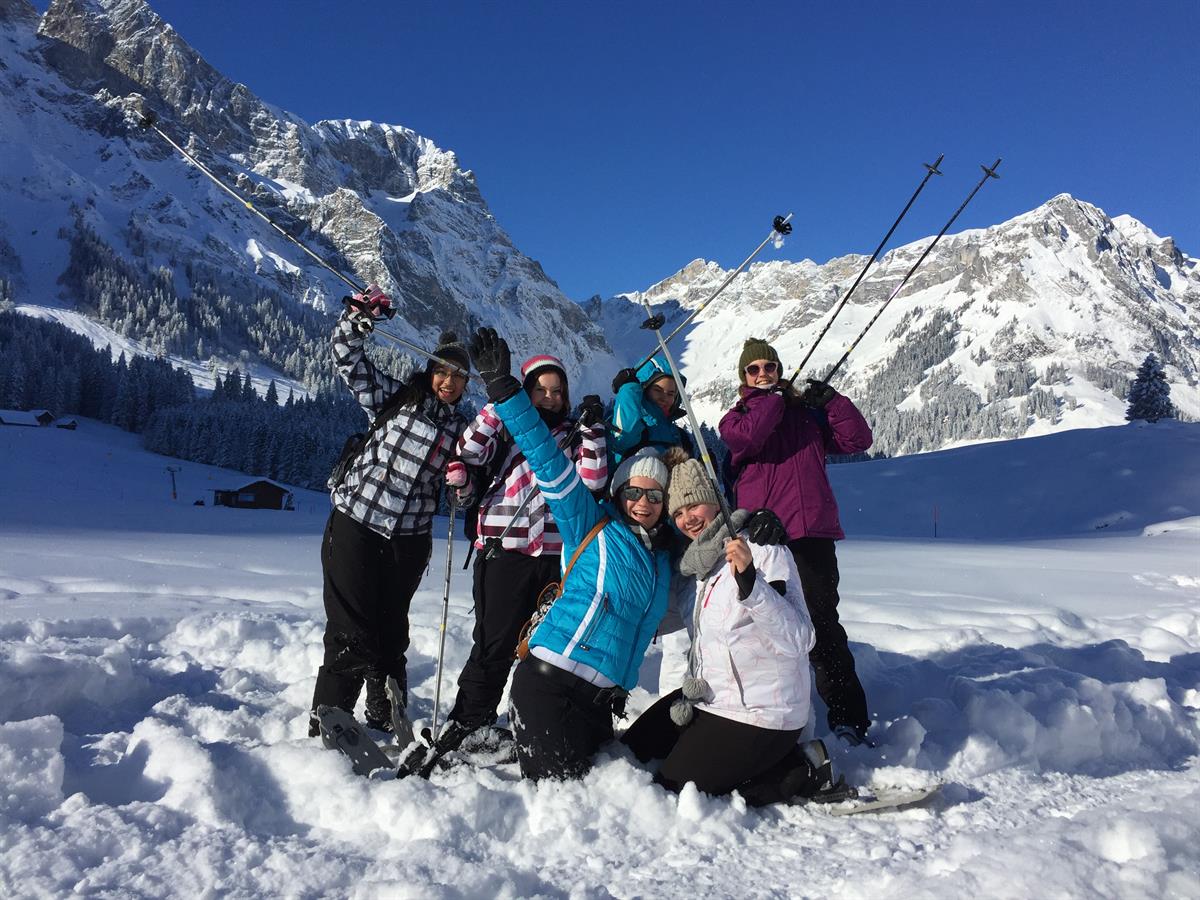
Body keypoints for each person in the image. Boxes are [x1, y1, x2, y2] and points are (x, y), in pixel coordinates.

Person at [467, 326, 674, 781]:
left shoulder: (662, 558)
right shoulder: (591, 522)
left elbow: (706, 527)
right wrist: (504, 390)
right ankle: (467, 728)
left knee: (604, 788)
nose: (643, 502)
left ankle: (503, 743)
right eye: (633, 491)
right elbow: (546, 458)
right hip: (550, 683)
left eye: (655, 495)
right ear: (619, 494)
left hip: (597, 704)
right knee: (568, 797)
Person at [622, 452, 844, 806]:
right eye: (678, 513)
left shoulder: (760, 547)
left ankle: (801, 769)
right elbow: (657, 620)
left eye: (694, 505)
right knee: (630, 753)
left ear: (715, 500)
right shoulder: (694, 569)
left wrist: (752, 585)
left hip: (763, 713)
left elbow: (800, 638)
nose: (687, 519)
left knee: (673, 793)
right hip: (712, 700)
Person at [309, 285, 472, 737]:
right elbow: (348, 358)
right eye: (442, 371)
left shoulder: (464, 432)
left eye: (458, 376)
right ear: (430, 370)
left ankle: (384, 713)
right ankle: (331, 719)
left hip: (409, 539)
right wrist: (358, 320)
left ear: (466, 385)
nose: (448, 382)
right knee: (350, 627)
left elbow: (467, 494)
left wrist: (464, 483)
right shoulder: (397, 398)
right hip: (357, 522)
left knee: (390, 630)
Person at [437, 354, 608, 750]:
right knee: (494, 645)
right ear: (526, 392)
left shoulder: (573, 436)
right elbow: (470, 450)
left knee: (544, 651)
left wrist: (593, 429)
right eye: (540, 390)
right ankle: (467, 723)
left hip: (554, 560)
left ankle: (533, 725)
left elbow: (594, 482)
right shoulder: (507, 429)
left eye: (557, 391)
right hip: (504, 553)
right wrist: (502, 400)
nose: (549, 397)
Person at [719, 337, 875, 746]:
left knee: (822, 624)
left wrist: (833, 403)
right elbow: (751, 437)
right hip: (765, 538)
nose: (763, 374)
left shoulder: (807, 417)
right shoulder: (736, 419)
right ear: (744, 377)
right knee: (768, 626)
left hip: (812, 533)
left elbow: (858, 441)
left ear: (780, 370)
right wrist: (772, 398)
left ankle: (848, 719)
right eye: (754, 369)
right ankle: (771, 717)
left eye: (769, 367)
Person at [607, 354, 693, 465]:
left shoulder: (680, 435)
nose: (664, 398)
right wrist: (629, 389)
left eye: (671, 394)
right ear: (644, 390)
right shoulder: (635, 425)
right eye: (658, 390)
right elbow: (622, 439)